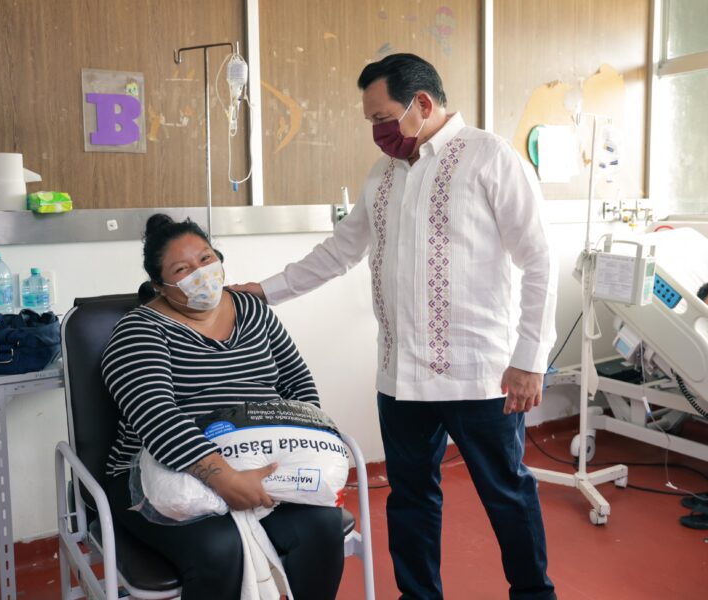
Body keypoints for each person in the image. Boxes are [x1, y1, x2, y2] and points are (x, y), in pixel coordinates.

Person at [232, 54, 558, 599]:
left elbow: (540, 260)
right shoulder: (381, 176)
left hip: (478, 376)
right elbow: (338, 252)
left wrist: (530, 358)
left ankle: (533, 593)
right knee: (409, 499)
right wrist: (266, 291)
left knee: (506, 493)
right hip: (400, 379)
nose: (377, 132)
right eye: (370, 122)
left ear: (422, 104)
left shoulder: (488, 159)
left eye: (383, 117)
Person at [101, 215, 344, 600]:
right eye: (182, 269)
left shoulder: (253, 311)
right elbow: (155, 415)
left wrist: (301, 450)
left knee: (322, 527)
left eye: (205, 259)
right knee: (219, 549)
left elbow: (297, 384)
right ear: (159, 285)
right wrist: (225, 478)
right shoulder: (139, 331)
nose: (200, 273)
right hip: (161, 471)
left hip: (261, 460)